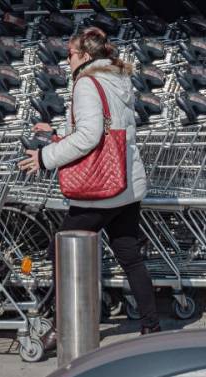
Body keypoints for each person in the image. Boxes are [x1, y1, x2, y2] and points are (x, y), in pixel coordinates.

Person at [18, 26, 160, 351]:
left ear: (83, 55)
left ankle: (62, 327)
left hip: (99, 189)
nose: (66, 61)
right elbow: (105, 127)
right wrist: (57, 131)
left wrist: (45, 157)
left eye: (68, 55)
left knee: (63, 254)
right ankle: (151, 328)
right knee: (130, 257)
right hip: (124, 183)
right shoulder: (117, 78)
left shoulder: (86, 82)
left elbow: (89, 137)